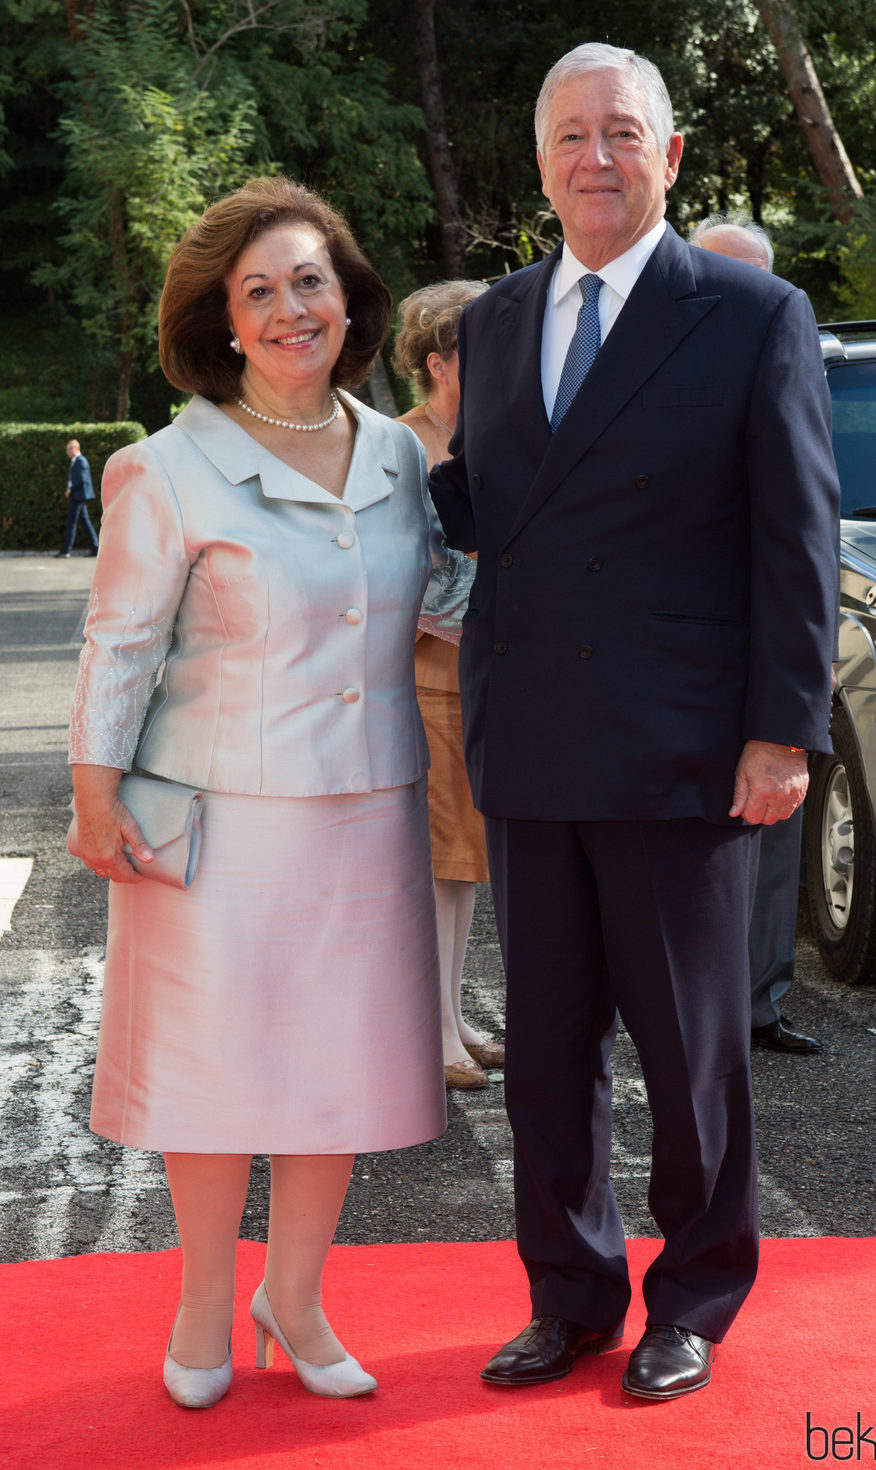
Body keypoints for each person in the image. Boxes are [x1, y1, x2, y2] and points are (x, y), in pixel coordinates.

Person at [429, 43, 839, 1402]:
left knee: (690, 1050)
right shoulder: (490, 324)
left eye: (622, 133)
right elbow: (505, 516)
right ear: (538, 163)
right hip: (536, 742)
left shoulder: (749, 310)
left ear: (669, 157)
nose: (593, 157)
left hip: (683, 750)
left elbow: (797, 534)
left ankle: (698, 1294)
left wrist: (783, 729)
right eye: (568, 135)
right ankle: (570, 1294)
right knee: (546, 1053)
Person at [66, 176, 473, 1410]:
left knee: (332, 1077)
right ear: (225, 324)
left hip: (365, 812)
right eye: (261, 292)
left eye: (310, 281)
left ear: (349, 300)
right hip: (215, 822)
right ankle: (202, 1299)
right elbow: (119, 645)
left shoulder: (400, 451)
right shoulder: (166, 466)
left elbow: (441, 600)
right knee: (215, 1080)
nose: (292, 307)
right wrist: (95, 798)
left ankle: (291, 1301)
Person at [690, 215, 821, 1056]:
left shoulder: (784, 354)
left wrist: (810, 671)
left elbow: (810, 526)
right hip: (678, 661)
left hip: (768, 650)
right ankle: (688, 1006)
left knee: (773, 842)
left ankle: (759, 1004)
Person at [393, 280, 505, 1091]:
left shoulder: (490, 439)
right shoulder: (401, 448)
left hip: (484, 676)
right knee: (436, 863)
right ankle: (426, 1032)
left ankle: (450, 1017)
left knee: (464, 862)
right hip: (424, 674)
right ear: (438, 363)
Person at [54, 438, 99, 557]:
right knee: (85, 522)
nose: (68, 451)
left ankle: (66, 550)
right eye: (67, 449)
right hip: (77, 496)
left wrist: (70, 490)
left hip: (78, 496)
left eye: (70, 448)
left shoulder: (80, 461)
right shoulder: (75, 461)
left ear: (77, 448)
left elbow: (82, 480)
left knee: (72, 523)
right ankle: (96, 547)